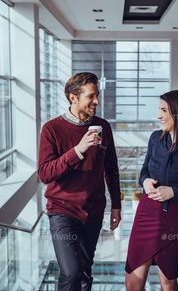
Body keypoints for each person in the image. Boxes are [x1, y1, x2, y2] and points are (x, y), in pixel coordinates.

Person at [38, 72, 121, 291]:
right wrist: (78, 150)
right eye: (91, 96)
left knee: (84, 272)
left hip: (93, 211)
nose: (97, 101)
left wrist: (117, 206)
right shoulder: (51, 129)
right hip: (62, 210)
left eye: (98, 95)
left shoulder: (104, 127)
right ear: (73, 98)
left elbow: (111, 169)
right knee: (71, 272)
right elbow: (45, 173)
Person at [125, 90, 178, 291]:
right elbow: (144, 170)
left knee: (167, 282)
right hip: (147, 214)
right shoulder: (155, 139)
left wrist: (173, 192)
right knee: (132, 282)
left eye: (164, 110)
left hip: (175, 219)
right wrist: (145, 181)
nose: (159, 116)